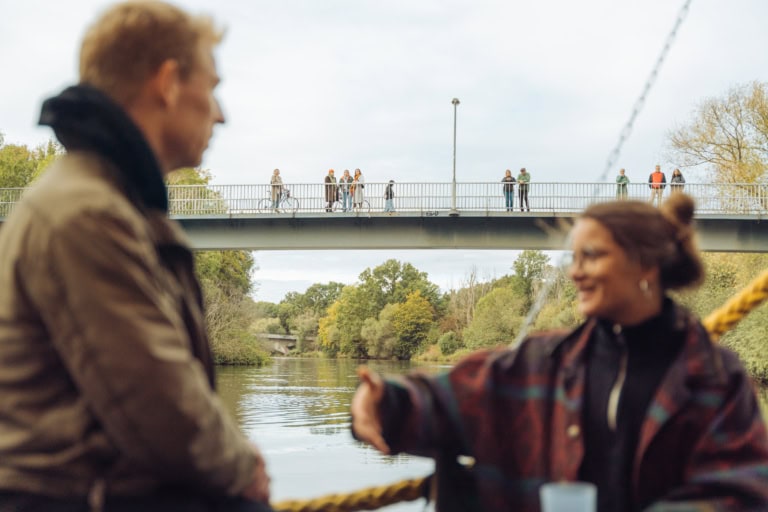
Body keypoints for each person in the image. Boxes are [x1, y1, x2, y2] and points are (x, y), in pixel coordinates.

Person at [0, 2, 272, 511]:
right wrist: (244, 466)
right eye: (211, 87)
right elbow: (161, 408)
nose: (221, 113)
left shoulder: (116, 204)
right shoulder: (84, 213)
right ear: (168, 83)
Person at [351, 194, 768, 512]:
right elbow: (445, 402)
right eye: (574, 257)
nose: (575, 271)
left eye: (592, 255)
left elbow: (744, 489)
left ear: (646, 265)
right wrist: (381, 401)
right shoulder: (540, 363)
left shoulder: (716, 377)